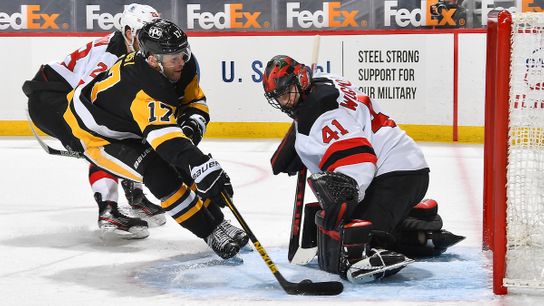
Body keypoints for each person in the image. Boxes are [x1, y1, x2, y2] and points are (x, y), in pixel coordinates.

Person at [26, 18, 248, 259]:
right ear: (153, 60)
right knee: (159, 173)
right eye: (174, 58)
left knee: (183, 163)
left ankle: (219, 223)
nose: (182, 62)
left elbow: (194, 101)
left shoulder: (180, 65)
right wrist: (199, 162)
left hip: (128, 123)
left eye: (184, 53)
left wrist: (192, 127)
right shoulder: (141, 86)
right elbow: (169, 143)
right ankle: (210, 231)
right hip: (94, 135)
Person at [262, 55, 464, 283]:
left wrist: (345, 196)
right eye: (277, 96)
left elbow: (360, 161)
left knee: (356, 241)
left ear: (301, 80)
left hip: (396, 174)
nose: (283, 101)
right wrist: (299, 136)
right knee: (347, 229)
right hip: (399, 167)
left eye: (287, 92)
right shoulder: (327, 80)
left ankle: (414, 230)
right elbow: (327, 111)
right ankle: (420, 223)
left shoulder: (325, 119)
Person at [23, 4, 167, 239]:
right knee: (101, 141)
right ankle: (108, 211)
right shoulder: (112, 55)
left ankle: (135, 197)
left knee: (128, 133)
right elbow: (86, 101)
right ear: (129, 32)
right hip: (51, 101)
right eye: (145, 33)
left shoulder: (132, 51)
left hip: (61, 96)